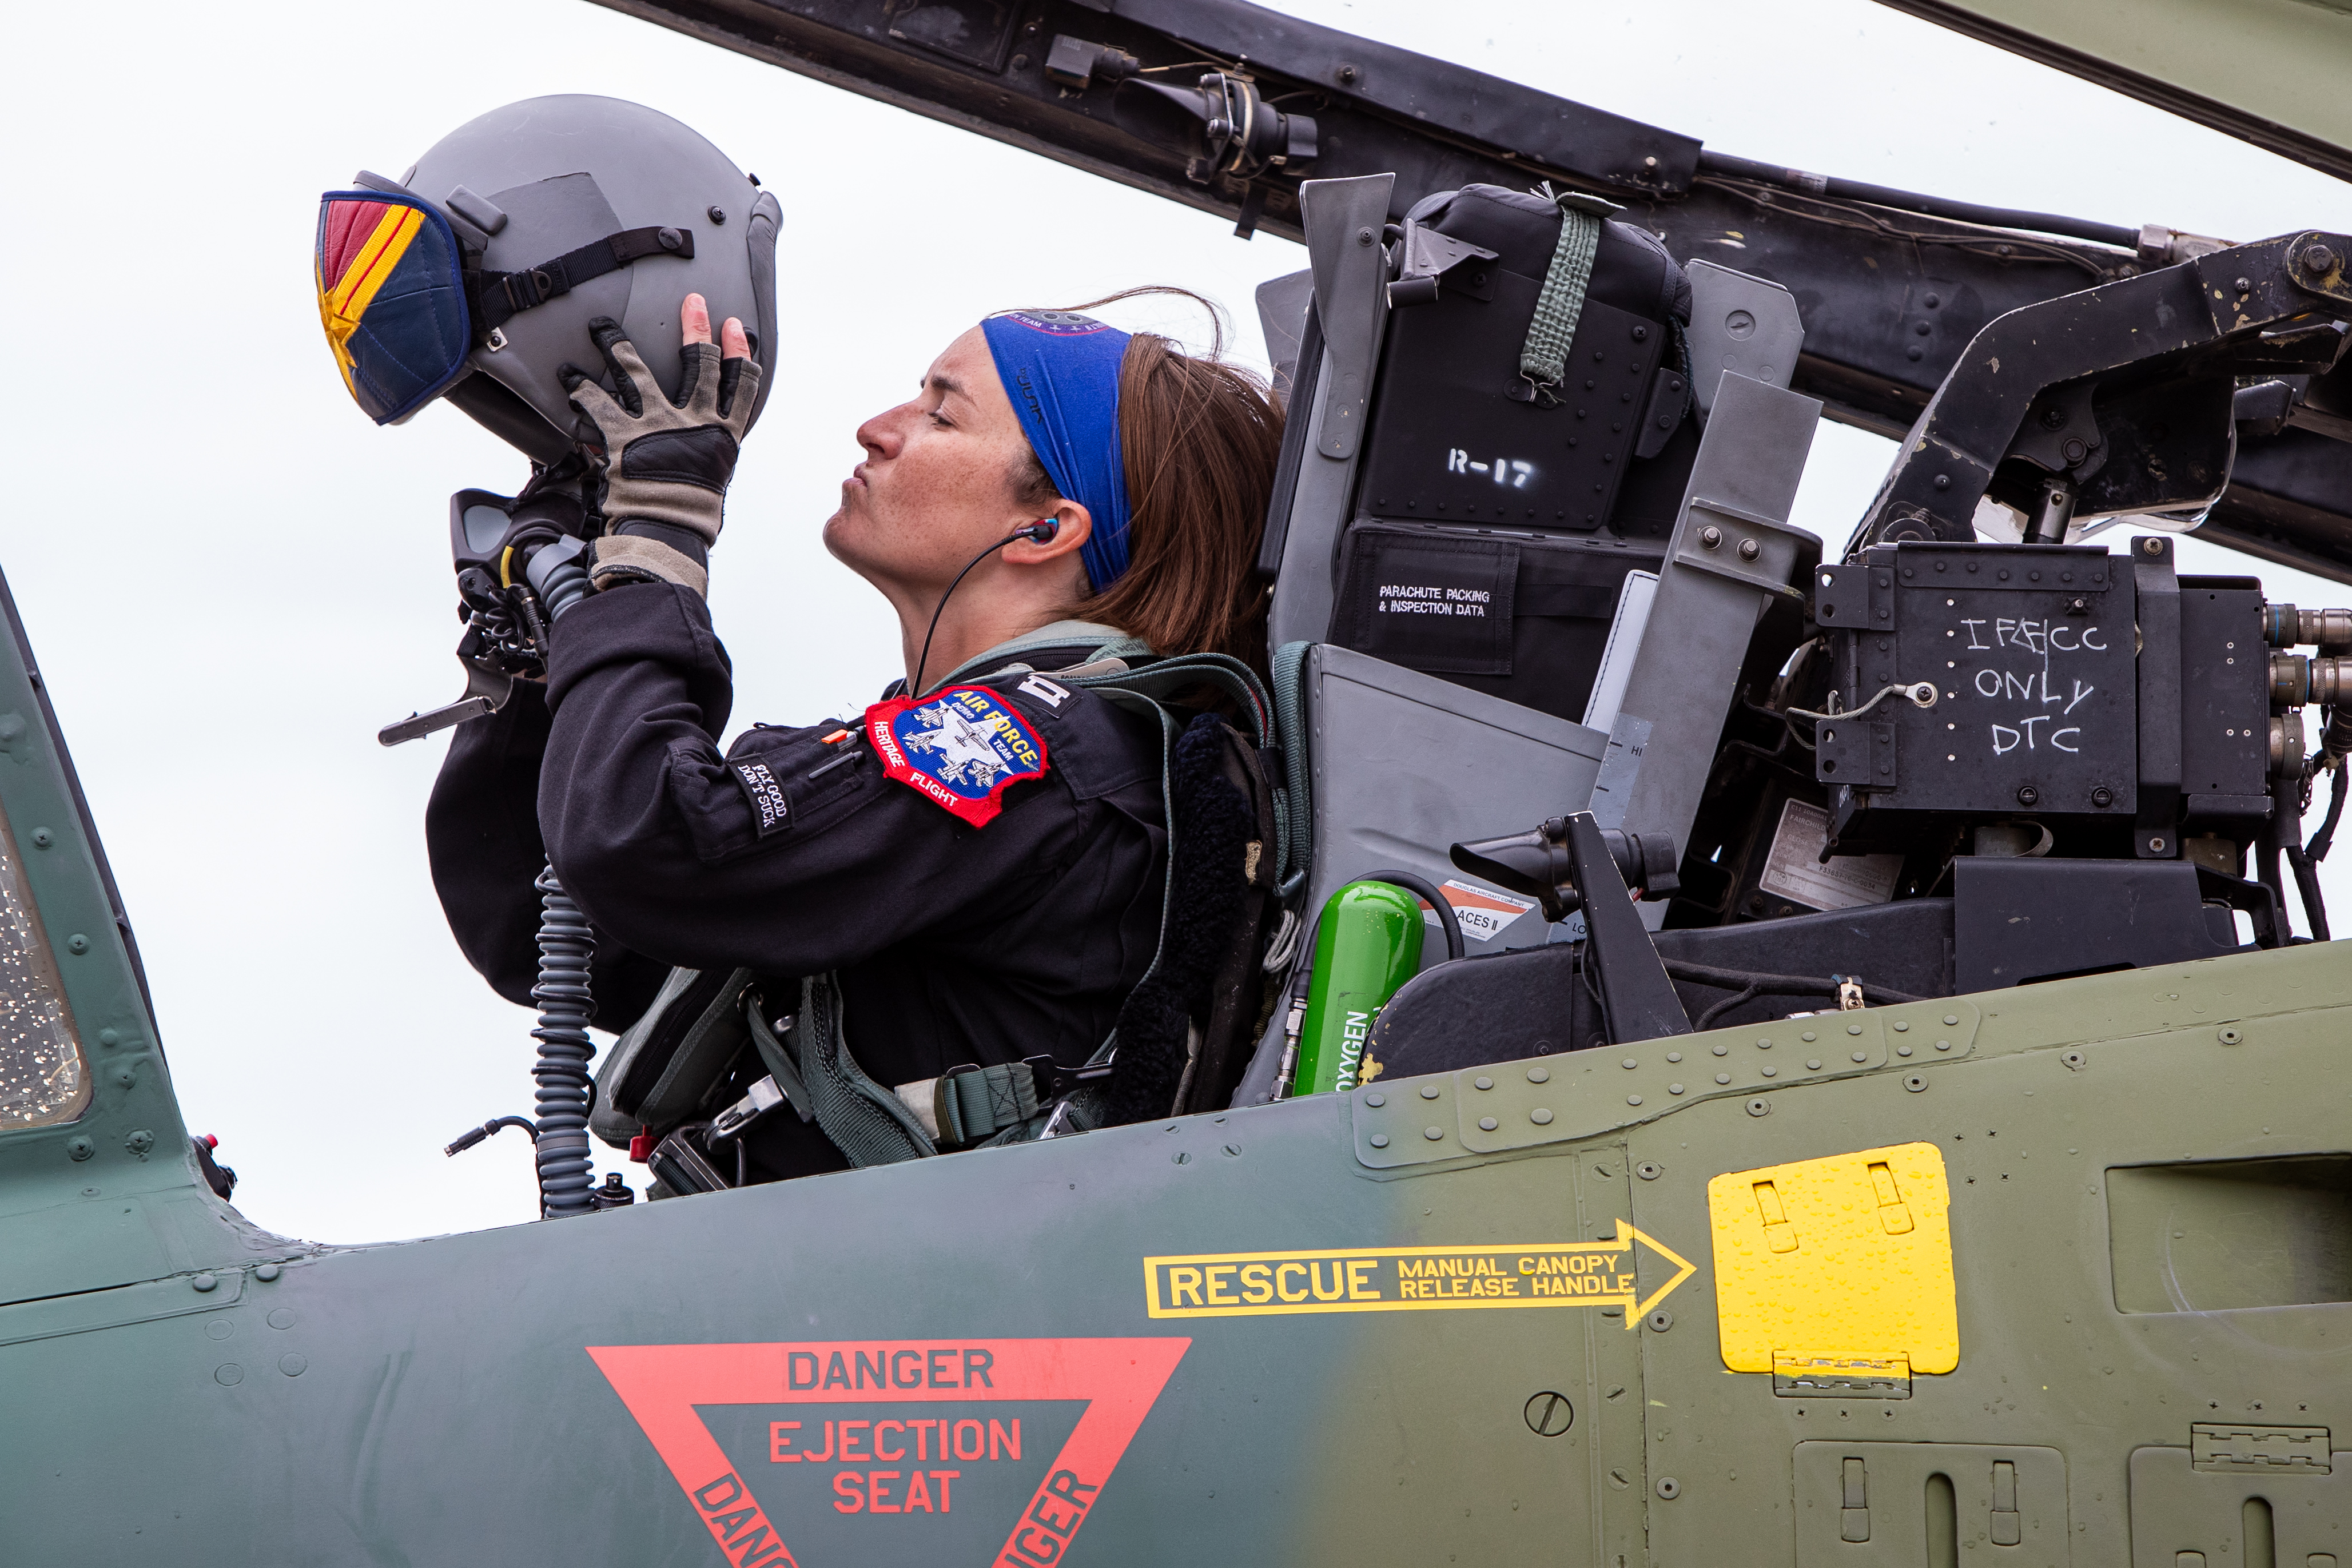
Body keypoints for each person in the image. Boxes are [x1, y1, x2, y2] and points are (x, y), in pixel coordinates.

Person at [426, 288, 1284, 1183]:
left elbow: (646, 842)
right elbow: (552, 924)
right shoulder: (994, 759)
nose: (878, 427)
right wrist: (546, 651)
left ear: (1046, 528)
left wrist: (652, 555)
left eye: (940, 414)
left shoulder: (1031, 754)